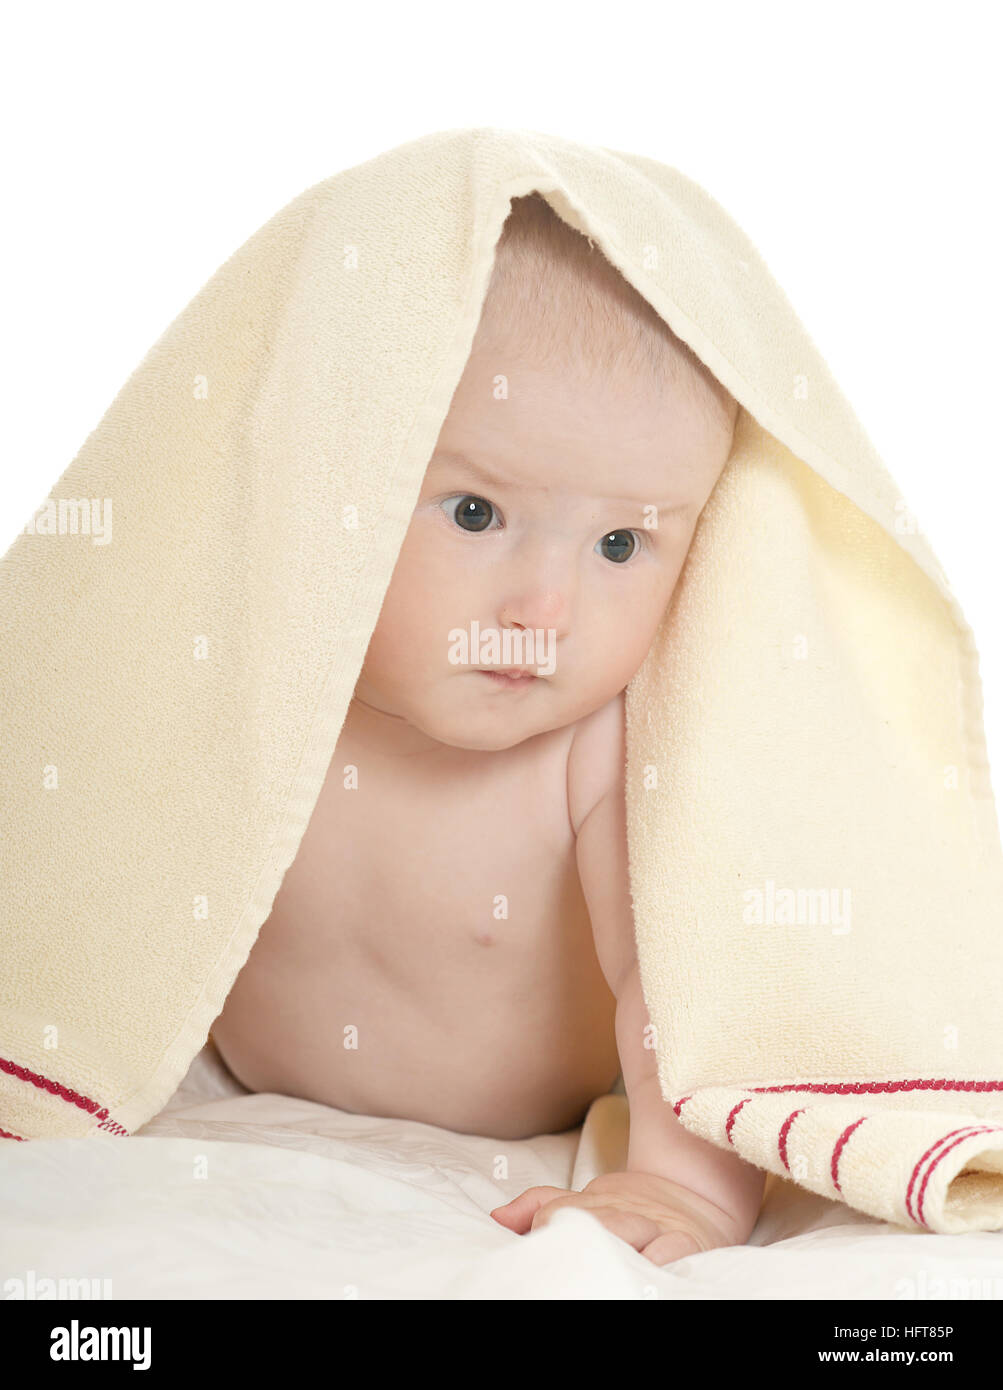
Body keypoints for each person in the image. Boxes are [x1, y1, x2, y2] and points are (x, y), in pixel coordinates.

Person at [210, 192, 766, 1266]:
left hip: (526, 1129)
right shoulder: (260, 687)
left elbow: (684, 979)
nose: (544, 610)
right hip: (243, 1088)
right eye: (476, 513)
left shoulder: (595, 753)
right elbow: (97, 879)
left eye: (617, 544)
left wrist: (681, 1186)